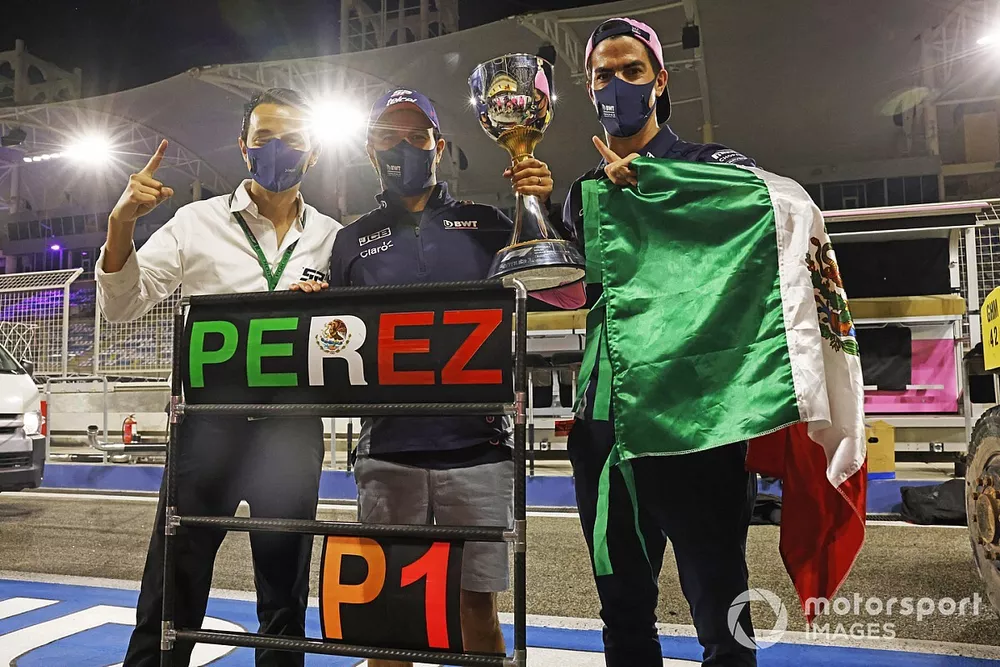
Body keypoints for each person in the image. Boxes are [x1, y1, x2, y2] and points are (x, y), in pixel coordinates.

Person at [515, 17, 761, 667]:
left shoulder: (711, 164)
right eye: (602, 75)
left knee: (723, 613)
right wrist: (536, 231)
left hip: (694, 421)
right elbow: (578, 293)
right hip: (604, 423)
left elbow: (754, 213)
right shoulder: (584, 190)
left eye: (631, 70)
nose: (617, 84)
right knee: (622, 614)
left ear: (660, 79)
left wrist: (657, 192)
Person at [292, 87, 552, 666]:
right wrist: (312, 306)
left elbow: (561, 291)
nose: (403, 146)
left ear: (441, 146)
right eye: (389, 136)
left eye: (417, 135)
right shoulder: (350, 240)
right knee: (390, 621)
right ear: (369, 149)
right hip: (389, 452)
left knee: (474, 610)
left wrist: (544, 211)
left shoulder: (489, 224)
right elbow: (336, 342)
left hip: (478, 450)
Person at [96, 87, 341, 667]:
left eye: (293, 141)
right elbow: (122, 305)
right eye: (265, 140)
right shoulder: (195, 221)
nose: (279, 150)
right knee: (172, 588)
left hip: (291, 425)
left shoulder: (334, 236)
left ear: (313, 154)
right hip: (208, 426)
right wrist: (119, 221)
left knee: (284, 596)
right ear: (243, 147)